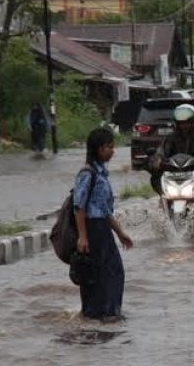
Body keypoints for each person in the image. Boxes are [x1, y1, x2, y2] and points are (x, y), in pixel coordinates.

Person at [73, 127, 133, 321]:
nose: (112, 151)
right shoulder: (87, 174)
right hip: (92, 231)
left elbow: (105, 211)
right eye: (109, 147)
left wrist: (120, 233)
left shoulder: (102, 174)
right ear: (98, 149)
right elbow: (79, 206)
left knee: (114, 272)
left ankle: (110, 313)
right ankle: (96, 314)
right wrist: (82, 236)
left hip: (103, 230)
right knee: (96, 275)